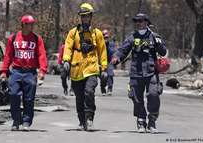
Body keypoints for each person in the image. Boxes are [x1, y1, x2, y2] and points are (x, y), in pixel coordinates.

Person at [111, 13, 167, 134]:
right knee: (136, 97)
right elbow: (123, 50)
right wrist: (116, 58)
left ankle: (152, 120)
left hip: (151, 72)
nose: (138, 23)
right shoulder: (132, 37)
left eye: (141, 21)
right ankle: (141, 121)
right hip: (136, 72)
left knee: (153, 94)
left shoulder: (154, 36)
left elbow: (163, 52)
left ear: (146, 22)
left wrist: (159, 44)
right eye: (136, 21)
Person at [62, 2, 108, 131]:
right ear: (80, 17)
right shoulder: (73, 33)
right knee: (79, 97)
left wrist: (104, 68)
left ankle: (89, 119)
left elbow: (102, 52)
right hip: (77, 70)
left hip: (91, 68)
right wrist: (66, 60)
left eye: (87, 16)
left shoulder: (97, 34)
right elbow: (68, 48)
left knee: (89, 92)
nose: (85, 18)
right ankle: (82, 120)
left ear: (91, 17)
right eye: (83, 16)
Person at [0, 15, 48, 131]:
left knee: (29, 99)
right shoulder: (13, 38)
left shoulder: (37, 39)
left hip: (30, 73)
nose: (32, 26)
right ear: (23, 25)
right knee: (14, 95)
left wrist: (42, 70)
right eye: (29, 24)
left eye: (32, 24)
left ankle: (26, 121)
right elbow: (8, 56)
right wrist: (4, 72)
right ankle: (16, 121)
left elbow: (42, 55)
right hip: (16, 71)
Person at [100, 29, 116, 96]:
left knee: (110, 75)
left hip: (109, 61)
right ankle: (103, 89)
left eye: (107, 37)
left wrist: (107, 46)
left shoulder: (111, 44)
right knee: (103, 76)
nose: (105, 39)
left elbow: (112, 53)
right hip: (101, 62)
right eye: (104, 37)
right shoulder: (99, 44)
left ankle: (110, 89)